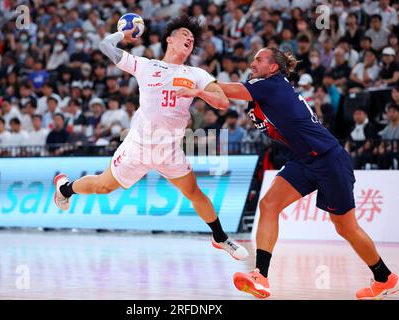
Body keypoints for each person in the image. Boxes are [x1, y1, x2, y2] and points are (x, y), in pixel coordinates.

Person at [53, 16, 249, 261]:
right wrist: (121, 34)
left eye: (192, 38)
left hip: (169, 150)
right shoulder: (146, 65)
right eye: (184, 34)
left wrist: (197, 91)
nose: (189, 38)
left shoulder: (196, 73)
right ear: (169, 39)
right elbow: (105, 46)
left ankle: (220, 238)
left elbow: (222, 102)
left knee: (194, 193)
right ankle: (65, 188)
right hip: (138, 146)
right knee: (103, 186)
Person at [217, 47, 397, 299]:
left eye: (259, 59)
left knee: (346, 228)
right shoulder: (261, 90)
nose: (253, 62)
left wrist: (195, 79)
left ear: (273, 67)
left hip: (329, 159)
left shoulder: (271, 84)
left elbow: (230, 90)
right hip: (303, 160)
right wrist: (194, 90)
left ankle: (384, 277)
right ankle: (261, 276)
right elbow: (223, 96)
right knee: (269, 205)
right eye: (253, 58)